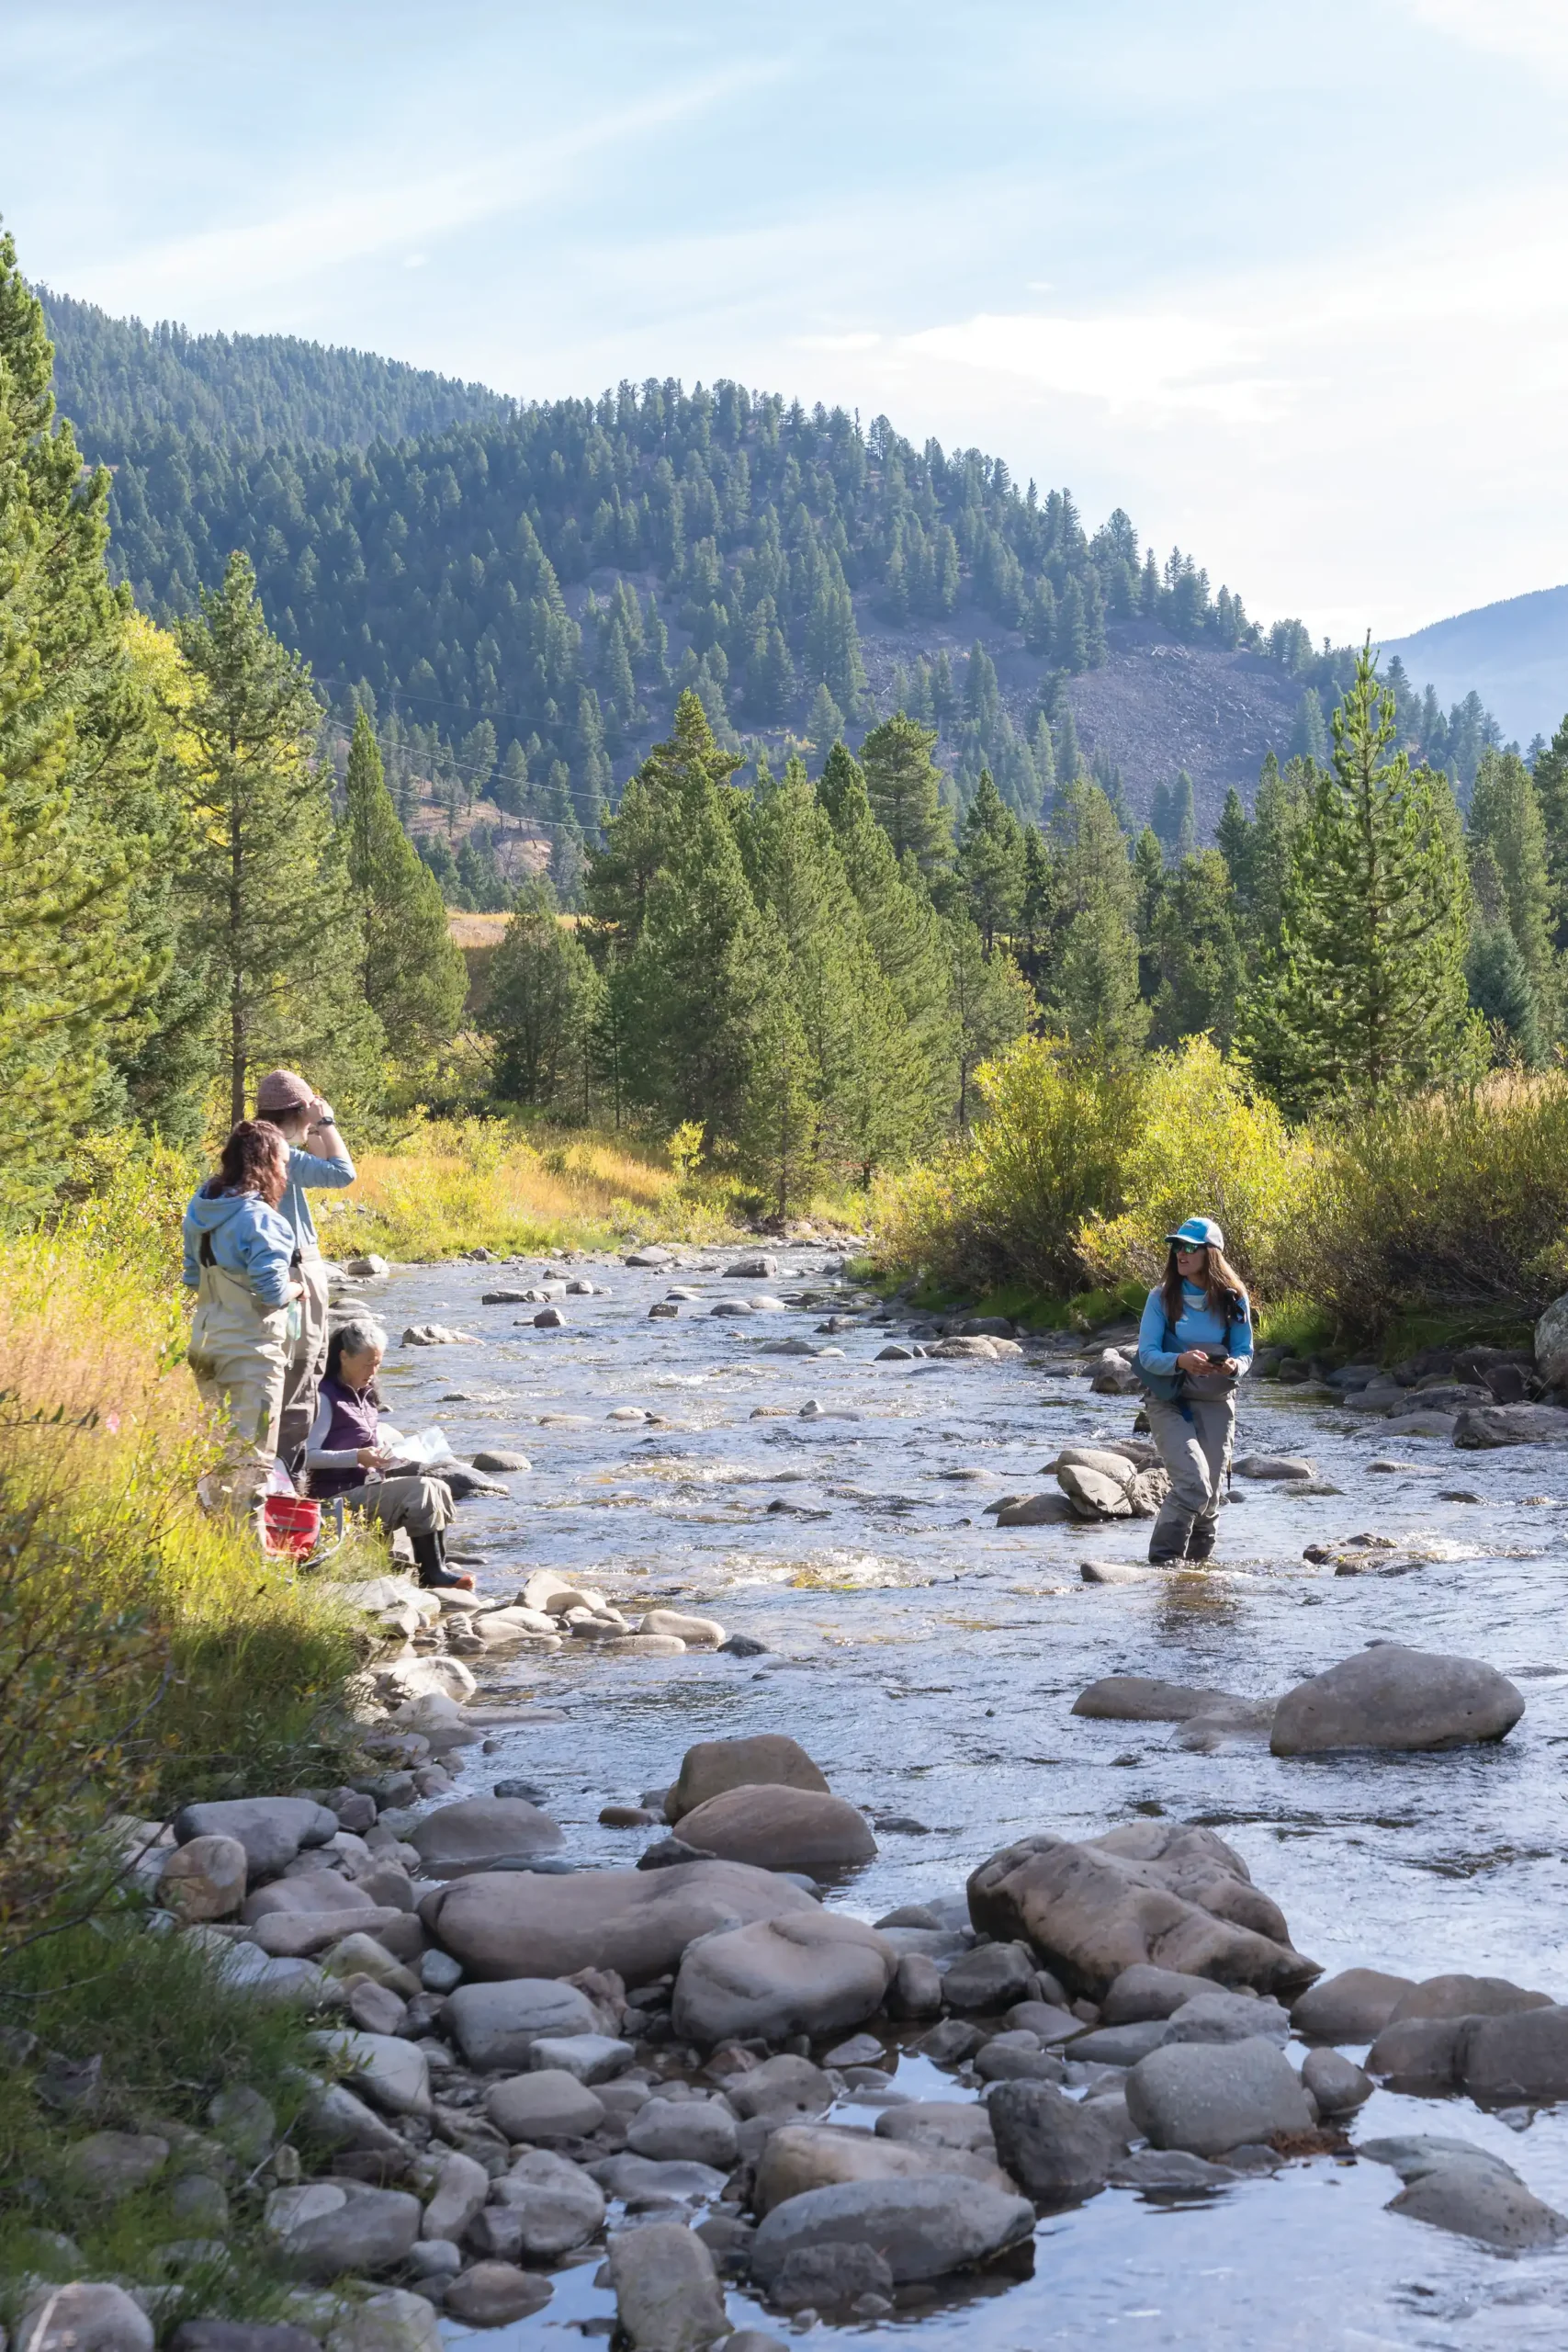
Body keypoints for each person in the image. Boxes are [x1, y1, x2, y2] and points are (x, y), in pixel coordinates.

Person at [182, 1120, 303, 1532]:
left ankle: (216, 1541)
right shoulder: (263, 1220)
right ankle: (249, 1556)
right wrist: (297, 1288)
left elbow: (193, 1278)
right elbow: (271, 1292)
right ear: (267, 1164)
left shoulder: (200, 1210)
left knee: (216, 1452)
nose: (286, 1172)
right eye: (283, 1162)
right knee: (253, 1459)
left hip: (205, 1344)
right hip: (251, 1352)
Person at [303, 1317, 474, 1589]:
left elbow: (366, 1444)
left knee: (439, 1486)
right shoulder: (325, 1397)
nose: (374, 1371)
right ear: (344, 1357)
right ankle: (432, 1576)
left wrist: (390, 1457)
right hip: (333, 1500)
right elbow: (306, 1456)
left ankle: (436, 1566)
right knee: (423, 1489)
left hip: (366, 1488)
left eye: (378, 1363)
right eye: (368, 1364)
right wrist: (357, 1456)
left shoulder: (366, 1394)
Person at [254, 1069, 356, 1475]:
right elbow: (341, 1172)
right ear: (297, 1112)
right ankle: (287, 1479)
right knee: (303, 1370)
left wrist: (310, 1127)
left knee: (297, 1371)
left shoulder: (257, 1148)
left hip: (285, 1270)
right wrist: (327, 1122)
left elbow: (316, 1159)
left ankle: (281, 1470)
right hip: (297, 1270)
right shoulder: (278, 1154)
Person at [1135, 1216, 1253, 1566]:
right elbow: (1147, 1355)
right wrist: (1181, 1361)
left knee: (1212, 1498)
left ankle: (1198, 1575)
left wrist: (1234, 1366)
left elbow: (1245, 1351)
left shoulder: (1235, 1298)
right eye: (1177, 1247)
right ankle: (1163, 1564)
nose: (1180, 1254)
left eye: (1190, 1247)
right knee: (1193, 1486)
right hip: (1169, 1401)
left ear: (1211, 1253)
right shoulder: (1161, 1298)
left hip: (1217, 1401)